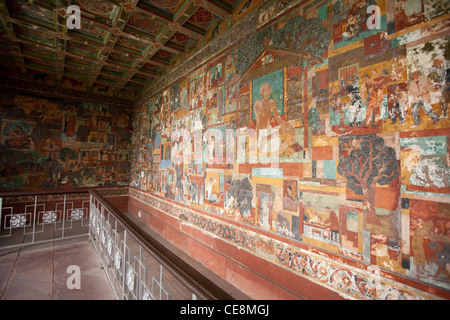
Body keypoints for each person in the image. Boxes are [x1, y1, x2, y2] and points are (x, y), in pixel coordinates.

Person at [253, 83, 301, 155]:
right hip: (262, 138)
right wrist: (287, 126)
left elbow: (278, 119)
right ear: (262, 92)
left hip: (267, 136)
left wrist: (288, 125)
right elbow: (261, 123)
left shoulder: (270, 103)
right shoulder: (259, 104)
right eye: (266, 90)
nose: (268, 92)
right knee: (286, 129)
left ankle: (289, 147)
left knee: (288, 128)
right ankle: (288, 147)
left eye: (269, 90)